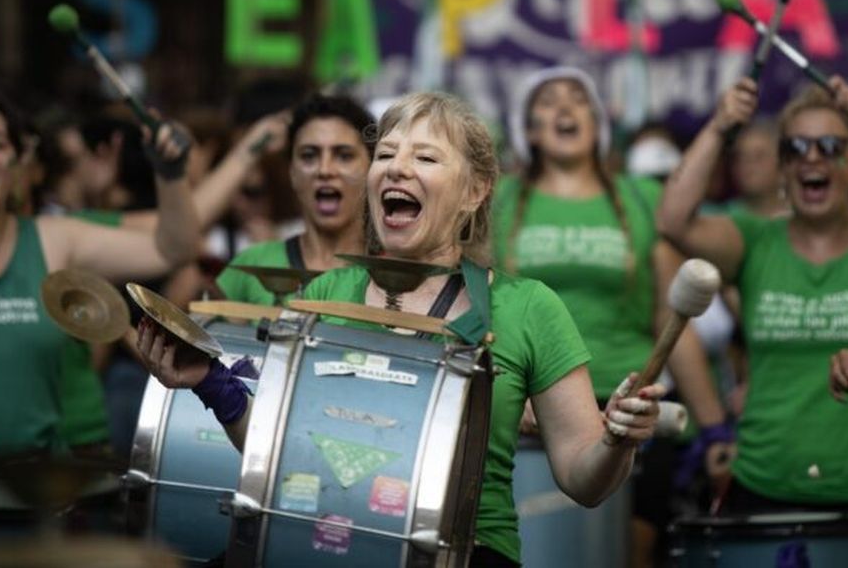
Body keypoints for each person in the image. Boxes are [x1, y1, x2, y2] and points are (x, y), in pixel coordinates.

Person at [135, 91, 666, 567]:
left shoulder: (528, 307)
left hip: (465, 553)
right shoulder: (325, 296)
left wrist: (618, 441)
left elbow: (583, 479)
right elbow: (275, 452)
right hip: (328, 541)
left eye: (426, 157)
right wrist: (212, 384)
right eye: (386, 154)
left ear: (475, 191)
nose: (396, 169)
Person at [0, 83, 199, 468]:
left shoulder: (53, 238)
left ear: (16, 165)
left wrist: (170, 173)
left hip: (26, 502)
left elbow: (172, 249)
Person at [491, 67, 728, 563]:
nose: (564, 108)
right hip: (531, 409)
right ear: (528, 128)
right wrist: (504, 394)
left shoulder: (642, 197)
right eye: (548, 100)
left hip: (630, 403)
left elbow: (672, 320)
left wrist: (714, 428)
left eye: (578, 98)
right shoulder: (497, 200)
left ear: (598, 122)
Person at [657, 75, 848, 510]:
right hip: (760, 482)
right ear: (783, 169)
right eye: (795, 149)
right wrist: (720, 125)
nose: (812, 158)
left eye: (831, 147)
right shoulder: (755, 239)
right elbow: (673, 221)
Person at [214, 93, 373, 305]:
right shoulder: (253, 264)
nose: (324, 170)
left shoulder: (392, 277)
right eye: (309, 155)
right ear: (291, 171)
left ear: (372, 168)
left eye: (344, 155)